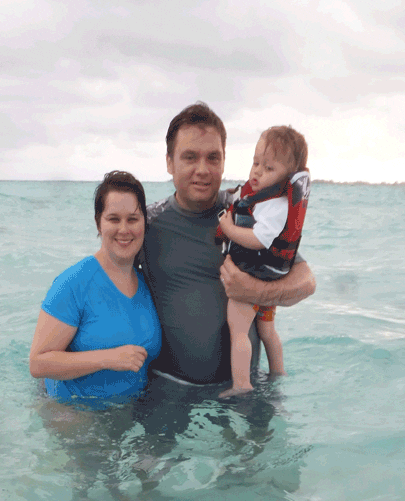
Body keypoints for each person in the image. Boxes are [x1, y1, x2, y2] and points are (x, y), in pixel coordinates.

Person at [140, 102, 315, 391]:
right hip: (169, 390)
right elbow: (100, 280)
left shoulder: (246, 213)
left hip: (246, 394)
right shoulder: (146, 223)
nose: (203, 170)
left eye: (213, 157)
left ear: (224, 160)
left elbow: (306, 281)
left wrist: (259, 292)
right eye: (190, 157)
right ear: (170, 162)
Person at [29, 170, 161, 403]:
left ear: (144, 223)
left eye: (132, 219)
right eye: (113, 219)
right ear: (98, 224)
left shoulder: (145, 282)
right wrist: (108, 358)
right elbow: (38, 363)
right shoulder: (73, 283)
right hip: (76, 415)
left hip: (129, 414)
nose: (124, 229)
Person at [216, 126, 310, 397]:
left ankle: (242, 385)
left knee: (239, 330)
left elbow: (259, 239)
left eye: (268, 169)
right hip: (272, 275)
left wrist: (228, 227)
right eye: (256, 163)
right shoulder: (269, 200)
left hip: (255, 272)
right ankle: (278, 372)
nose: (257, 172)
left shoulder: (276, 205)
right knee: (267, 329)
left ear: (287, 178)